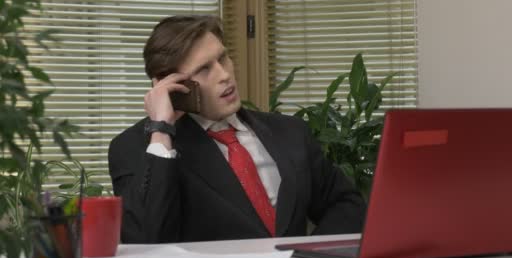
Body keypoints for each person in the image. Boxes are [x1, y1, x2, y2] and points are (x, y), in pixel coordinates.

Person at [108, 15, 366, 243]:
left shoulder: (291, 132)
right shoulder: (140, 147)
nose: (224, 75)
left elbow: (346, 205)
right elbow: (146, 239)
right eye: (204, 69)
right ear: (171, 85)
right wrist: (162, 128)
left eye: (222, 58)